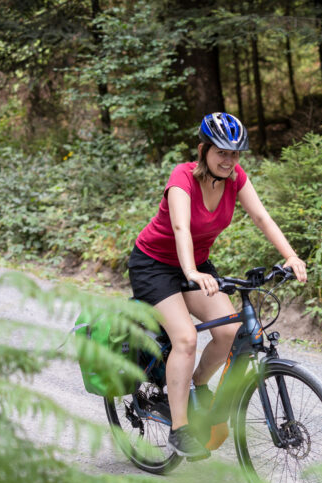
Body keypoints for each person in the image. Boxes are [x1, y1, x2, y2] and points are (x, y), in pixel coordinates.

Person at [128, 112, 306, 459]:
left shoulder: (236, 178)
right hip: (154, 264)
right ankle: (179, 429)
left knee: (229, 332)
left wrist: (291, 256)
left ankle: (197, 383)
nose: (229, 160)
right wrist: (191, 272)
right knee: (186, 338)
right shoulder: (182, 177)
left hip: (196, 264)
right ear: (203, 150)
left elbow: (261, 217)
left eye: (234, 154)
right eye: (221, 152)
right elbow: (180, 227)